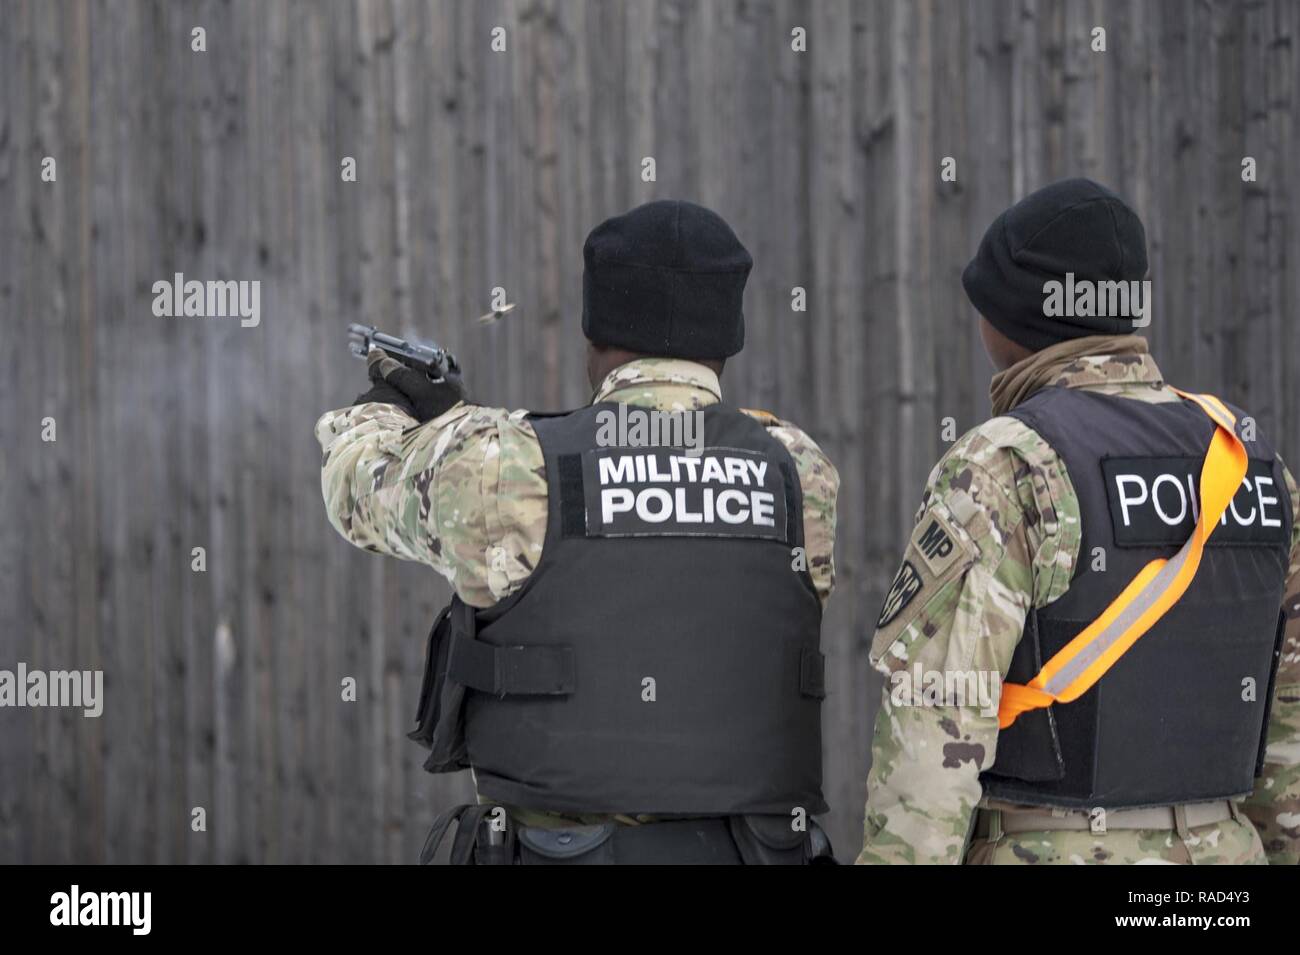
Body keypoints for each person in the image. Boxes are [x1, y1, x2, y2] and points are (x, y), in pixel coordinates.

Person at [316, 199, 840, 864]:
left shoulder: (506, 463)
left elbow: (358, 488)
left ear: (594, 336)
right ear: (727, 339)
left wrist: (388, 412)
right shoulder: (800, 468)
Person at [857, 178, 1300, 865]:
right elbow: (1290, 727)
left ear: (1011, 321)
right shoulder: (1249, 458)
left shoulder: (1007, 463)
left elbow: (937, 740)